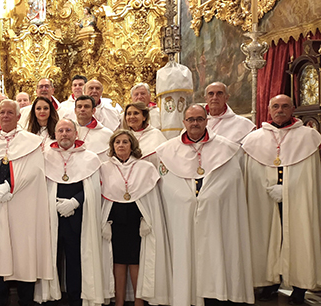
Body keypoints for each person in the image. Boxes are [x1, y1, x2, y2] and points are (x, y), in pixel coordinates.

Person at [156, 104, 254, 305]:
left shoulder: (227, 148)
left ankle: (217, 294)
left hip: (216, 215)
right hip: (182, 216)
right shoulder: (167, 151)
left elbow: (233, 180)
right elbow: (165, 185)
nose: (195, 123)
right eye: (191, 119)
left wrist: (213, 195)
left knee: (216, 253)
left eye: (199, 119)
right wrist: (183, 197)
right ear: (183, 122)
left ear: (206, 121)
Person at [242, 94, 321, 305]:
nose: (280, 110)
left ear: (293, 109)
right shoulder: (255, 138)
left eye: (285, 106)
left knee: (298, 235)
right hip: (264, 198)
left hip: (297, 199)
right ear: (269, 110)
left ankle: (300, 286)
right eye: (275, 106)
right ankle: (268, 282)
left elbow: (309, 176)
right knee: (264, 235)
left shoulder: (308, 136)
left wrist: (288, 189)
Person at [0, 99, 54, 306]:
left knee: (24, 252)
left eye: (11, 113)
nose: (6, 116)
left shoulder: (32, 141)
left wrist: (11, 188)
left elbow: (34, 171)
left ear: (19, 117)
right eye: (2, 112)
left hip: (23, 205)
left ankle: (25, 300)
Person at [100, 129, 170, 306]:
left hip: (137, 223)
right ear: (112, 146)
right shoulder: (104, 168)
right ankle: (119, 302)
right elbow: (102, 199)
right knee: (118, 262)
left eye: (125, 142)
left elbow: (151, 199)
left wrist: (147, 218)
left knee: (136, 262)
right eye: (117, 142)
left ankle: (139, 302)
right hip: (115, 223)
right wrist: (105, 222)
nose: (121, 145)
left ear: (132, 145)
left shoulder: (145, 168)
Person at [39, 118, 104, 306]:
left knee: (75, 259)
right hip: (52, 216)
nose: (64, 134)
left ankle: (75, 297)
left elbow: (93, 187)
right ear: (55, 134)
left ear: (76, 134)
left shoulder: (89, 157)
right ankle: (52, 296)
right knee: (52, 257)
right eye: (61, 131)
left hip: (78, 216)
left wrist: (75, 202)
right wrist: (55, 204)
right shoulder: (46, 156)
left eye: (68, 130)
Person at [122, 102, 166, 167]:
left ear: (144, 117)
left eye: (136, 113)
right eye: (129, 114)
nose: (132, 117)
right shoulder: (123, 136)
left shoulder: (155, 134)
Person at [75, 95, 113, 161]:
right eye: (79, 107)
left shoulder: (107, 134)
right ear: (75, 111)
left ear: (93, 110)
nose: (82, 109)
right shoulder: (68, 130)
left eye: (86, 106)